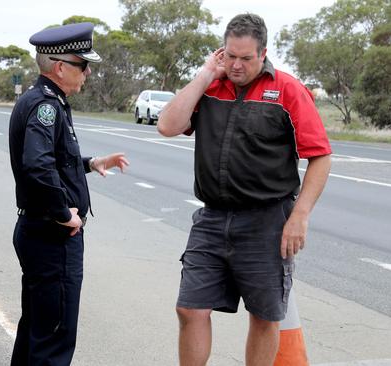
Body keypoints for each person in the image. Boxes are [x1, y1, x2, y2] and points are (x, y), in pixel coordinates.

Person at [157, 14, 332, 365]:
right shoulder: (209, 87)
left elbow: (320, 157)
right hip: (212, 219)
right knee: (190, 309)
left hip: (267, 221)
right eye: (230, 55)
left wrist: (300, 216)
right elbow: (167, 125)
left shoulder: (287, 90)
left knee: (264, 316)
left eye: (245, 58)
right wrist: (206, 73)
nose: (236, 65)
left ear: (263, 53)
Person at [8, 22, 129, 366]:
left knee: (36, 329)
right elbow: (38, 165)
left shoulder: (44, 101)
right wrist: (64, 213)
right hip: (52, 236)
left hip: (39, 232)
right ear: (60, 67)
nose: (88, 72)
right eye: (83, 64)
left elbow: (55, 160)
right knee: (54, 339)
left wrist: (91, 163)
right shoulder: (46, 105)